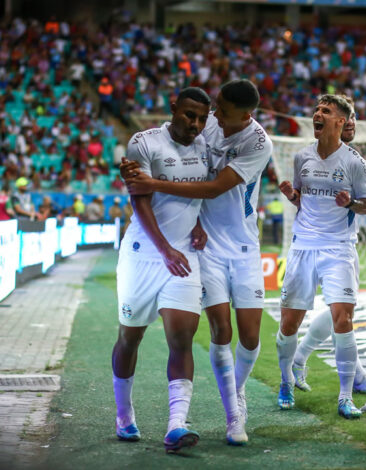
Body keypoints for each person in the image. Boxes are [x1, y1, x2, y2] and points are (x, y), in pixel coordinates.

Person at [121, 79, 272, 445]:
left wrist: (153, 183)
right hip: (182, 250)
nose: (211, 117)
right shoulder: (188, 130)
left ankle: (220, 405)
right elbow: (149, 186)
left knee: (234, 336)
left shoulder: (257, 142)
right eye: (209, 109)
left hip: (233, 248)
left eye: (219, 111)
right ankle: (228, 417)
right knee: (198, 333)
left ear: (245, 115)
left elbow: (211, 188)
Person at [276, 94, 366, 419]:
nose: (317, 114)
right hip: (302, 248)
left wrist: (350, 203)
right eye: (316, 109)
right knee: (289, 323)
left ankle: (345, 396)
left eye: (325, 111)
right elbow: (304, 199)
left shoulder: (355, 162)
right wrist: (293, 196)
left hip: (338, 248)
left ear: (341, 121)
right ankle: (286, 380)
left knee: (344, 318)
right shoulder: (301, 157)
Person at [111, 87, 210, 452]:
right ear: (173, 108)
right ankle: (124, 416)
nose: (195, 125)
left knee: (182, 339)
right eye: (189, 115)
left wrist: (196, 225)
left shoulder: (204, 147)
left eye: (201, 119)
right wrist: (164, 248)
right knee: (129, 338)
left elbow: (200, 192)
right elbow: (140, 200)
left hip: (183, 256)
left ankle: (176, 425)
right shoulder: (144, 142)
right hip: (142, 254)